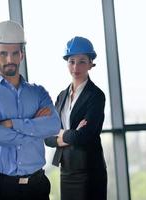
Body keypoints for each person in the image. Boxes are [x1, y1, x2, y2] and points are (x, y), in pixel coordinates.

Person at [0, 20, 61, 200]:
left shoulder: (38, 92)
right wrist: (34, 129)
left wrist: (12, 124)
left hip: (37, 186)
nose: (10, 59)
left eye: (14, 53)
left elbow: (53, 125)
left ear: (22, 55)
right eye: (3, 53)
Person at [45, 36, 107, 200]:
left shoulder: (96, 96)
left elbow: (83, 136)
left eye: (81, 61)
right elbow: (47, 138)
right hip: (66, 169)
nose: (75, 67)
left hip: (89, 171)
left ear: (90, 63)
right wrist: (71, 134)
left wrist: (61, 133)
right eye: (72, 61)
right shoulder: (61, 96)